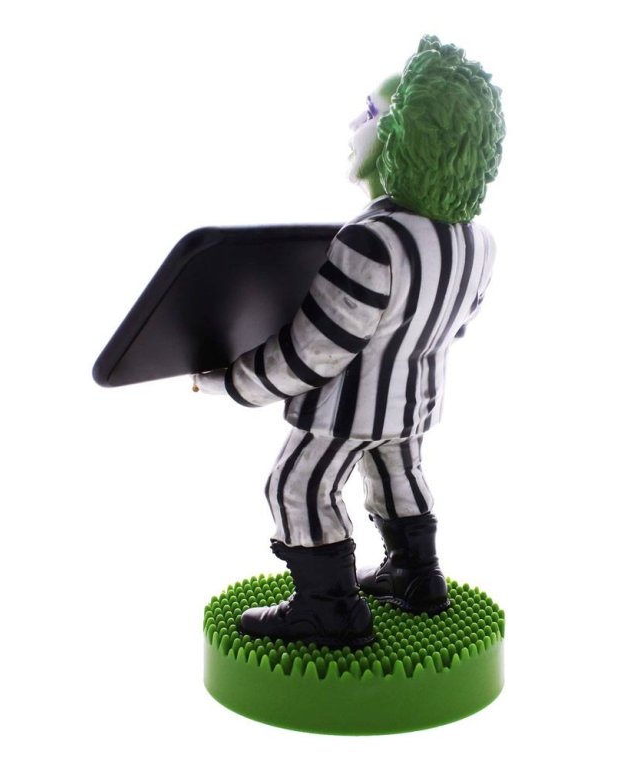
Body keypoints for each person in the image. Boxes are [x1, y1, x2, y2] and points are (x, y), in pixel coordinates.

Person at [195, 35, 505, 649]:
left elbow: (312, 354)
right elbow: (457, 325)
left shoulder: (371, 241)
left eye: (369, 112)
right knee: (398, 472)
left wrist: (229, 381)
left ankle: (328, 607)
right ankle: (417, 576)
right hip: (413, 405)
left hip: (345, 411)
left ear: (402, 135)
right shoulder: (477, 242)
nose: (353, 125)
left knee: (298, 484)